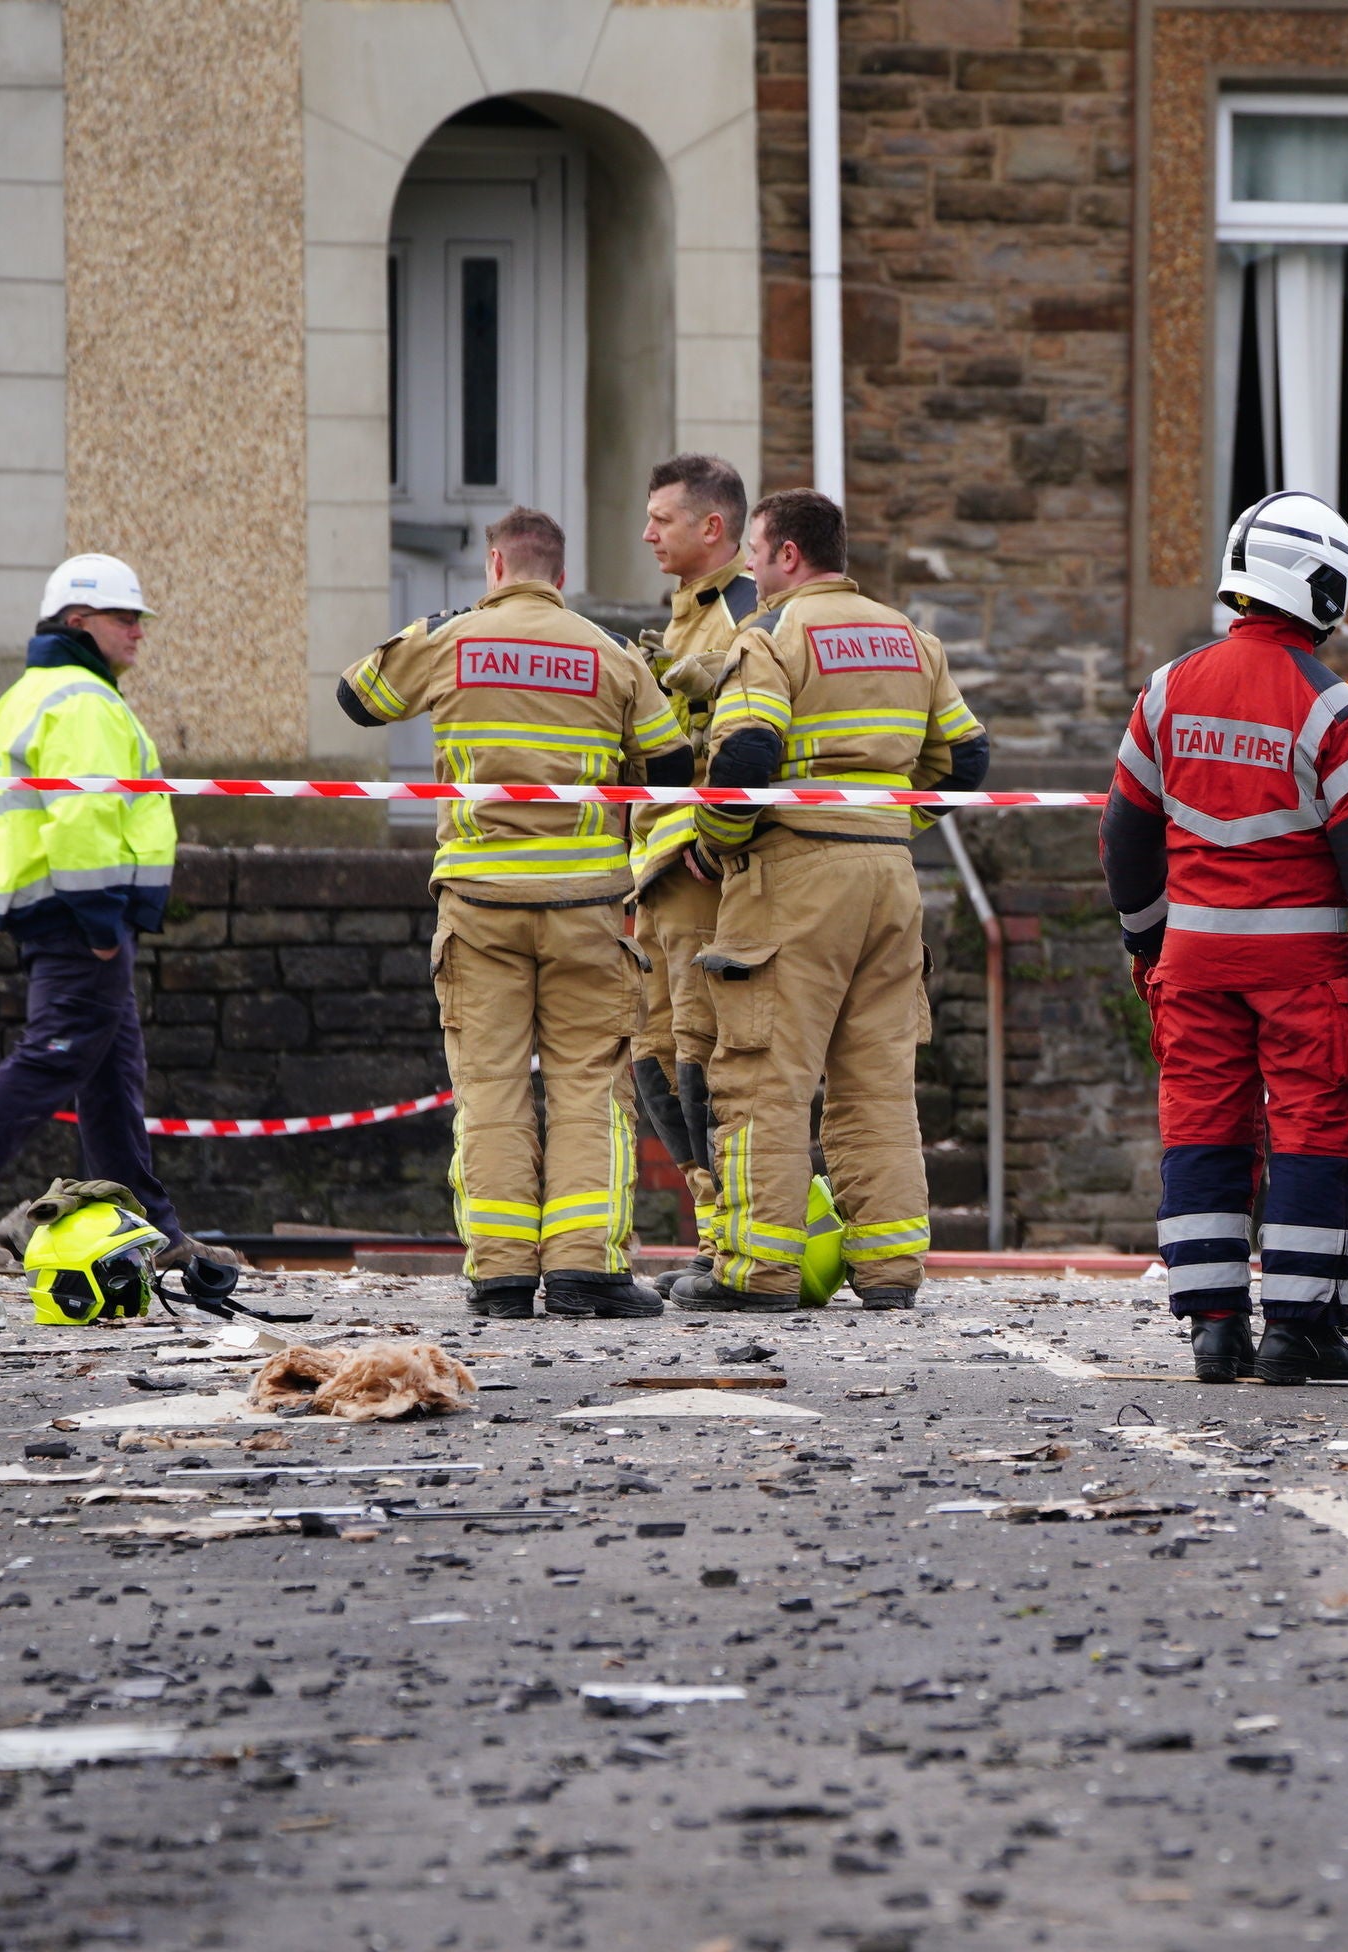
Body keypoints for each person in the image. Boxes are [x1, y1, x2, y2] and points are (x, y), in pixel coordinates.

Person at [336, 508, 688, 1320]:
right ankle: (583, 1272)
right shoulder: (607, 652)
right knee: (590, 1084)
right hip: (586, 906)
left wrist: (437, 626)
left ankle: (497, 1275)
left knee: (489, 1087)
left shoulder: (453, 641)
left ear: (495, 565)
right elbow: (671, 768)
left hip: (480, 903)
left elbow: (358, 696)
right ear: (559, 576)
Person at [1105, 491, 1348, 1386]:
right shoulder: (1331, 707)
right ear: (1309, 584)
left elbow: (1125, 833)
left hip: (1193, 962)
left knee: (1202, 1125)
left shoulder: (1168, 689)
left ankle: (1212, 1328)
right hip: (1302, 967)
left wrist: (1148, 936)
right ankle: (1297, 1332)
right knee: (1313, 1129)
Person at [671, 487, 984, 1313]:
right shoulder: (913, 638)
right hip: (888, 878)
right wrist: (887, 826)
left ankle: (757, 1272)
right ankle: (889, 1270)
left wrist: (715, 846)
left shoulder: (770, 635)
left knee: (762, 1077)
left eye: (756, 554)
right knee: (878, 1079)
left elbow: (743, 755)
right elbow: (968, 758)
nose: (749, 569)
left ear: (788, 556)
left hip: (794, 879)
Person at [0, 555, 221, 1277]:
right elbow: (81, 819)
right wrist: (103, 922)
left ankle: (146, 1229)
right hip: (79, 915)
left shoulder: (33, 694)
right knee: (54, 1060)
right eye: (124, 618)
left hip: (53, 908)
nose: (139, 631)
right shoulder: (83, 702)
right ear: (79, 622)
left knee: (110, 1076)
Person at [627, 453, 761, 1201]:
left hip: (701, 876)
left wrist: (715, 847)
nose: (646, 533)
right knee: (653, 1054)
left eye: (661, 518)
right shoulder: (687, 616)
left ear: (712, 527)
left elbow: (764, 745)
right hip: (658, 875)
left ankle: (733, 1224)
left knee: (704, 1053)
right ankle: (711, 1218)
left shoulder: (745, 614)